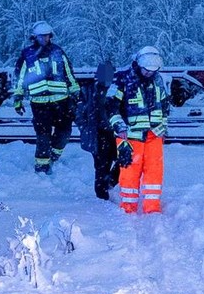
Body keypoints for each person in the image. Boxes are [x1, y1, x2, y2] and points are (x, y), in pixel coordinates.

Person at [9, 21, 80, 174]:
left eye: (47, 36)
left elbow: (68, 73)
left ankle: (54, 154)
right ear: (34, 37)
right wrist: (18, 97)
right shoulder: (27, 54)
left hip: (61, 101)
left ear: (50, 36)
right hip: (39, 103)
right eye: (41, 36)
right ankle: (42, 166)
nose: (44, 39)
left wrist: (75, 92)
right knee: (43, 135)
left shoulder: (58, 52)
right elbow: (20, 77)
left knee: (65, 131)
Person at [107, 46, 171, 214]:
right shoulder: (122, 79)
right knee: (129, 173)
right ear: (138, 64)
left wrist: (163, 128)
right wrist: (119, 126)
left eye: (153, 70)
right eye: (147, 70)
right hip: (129, 135)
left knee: (155, 173)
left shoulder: (159, 80)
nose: (150, 73)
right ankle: (128, 209)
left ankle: (152, 209)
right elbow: (111, 107)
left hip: (154, 134)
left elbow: (164, 106)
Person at [75, 59, 121, 200]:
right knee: (101, 166)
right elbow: (80, 113)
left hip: (116, 133)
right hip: (98, 134)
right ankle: (102, 195)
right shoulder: (90, 90)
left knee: (123, 161)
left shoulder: (118, 89)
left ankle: (110, 183)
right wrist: (85, 128)